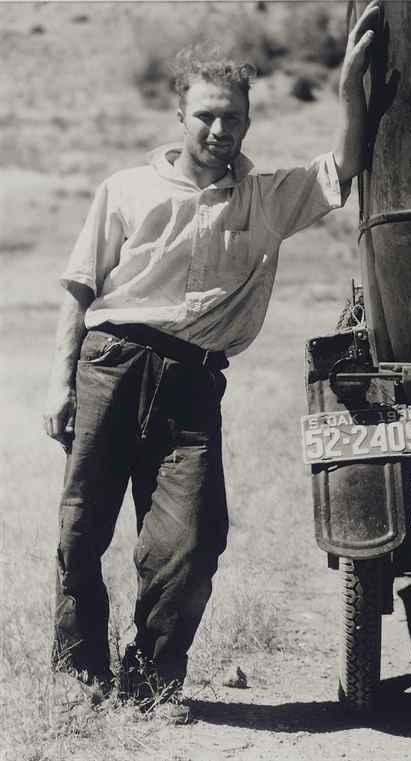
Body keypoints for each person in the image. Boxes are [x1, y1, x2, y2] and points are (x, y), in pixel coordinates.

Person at [41, 1, 380, 721]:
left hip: (193, 383)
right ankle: (79, 672)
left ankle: (152, 676)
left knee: (191, 541)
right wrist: (59, 381)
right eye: (206, 116)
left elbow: (344, 165)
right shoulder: (125, 190)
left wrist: (351, 83)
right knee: (82, 528)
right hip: (112, 364)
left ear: (248, 121)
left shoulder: (265, 199)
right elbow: (79, 288)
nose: (220, 130)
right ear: (180, 115)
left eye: (232, 117)